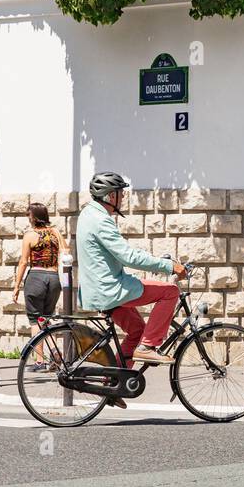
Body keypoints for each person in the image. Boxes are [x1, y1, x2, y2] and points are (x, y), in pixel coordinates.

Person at [77, 172, 187, 407]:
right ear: (111, 196)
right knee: (169, 292)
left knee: (136, 330)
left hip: (96, 289)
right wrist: (169, 265)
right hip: (110, 289)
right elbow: (127, 256)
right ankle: (148, 347)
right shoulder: (101, 220)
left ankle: (112, 386)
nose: (123, 197)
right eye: (121, 193)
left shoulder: (88, 214)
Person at [12, 202, 69, 367]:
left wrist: (16, 286)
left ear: (34, 217)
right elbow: (66, 251)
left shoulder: (29, 236)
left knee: (35, 320)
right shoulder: (56, 232)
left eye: (29, 215)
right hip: (54, 278)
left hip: (36, 277)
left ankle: (39, 361)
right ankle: (56, 353)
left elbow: (23, 262)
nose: (28, 218)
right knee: (45, 319)